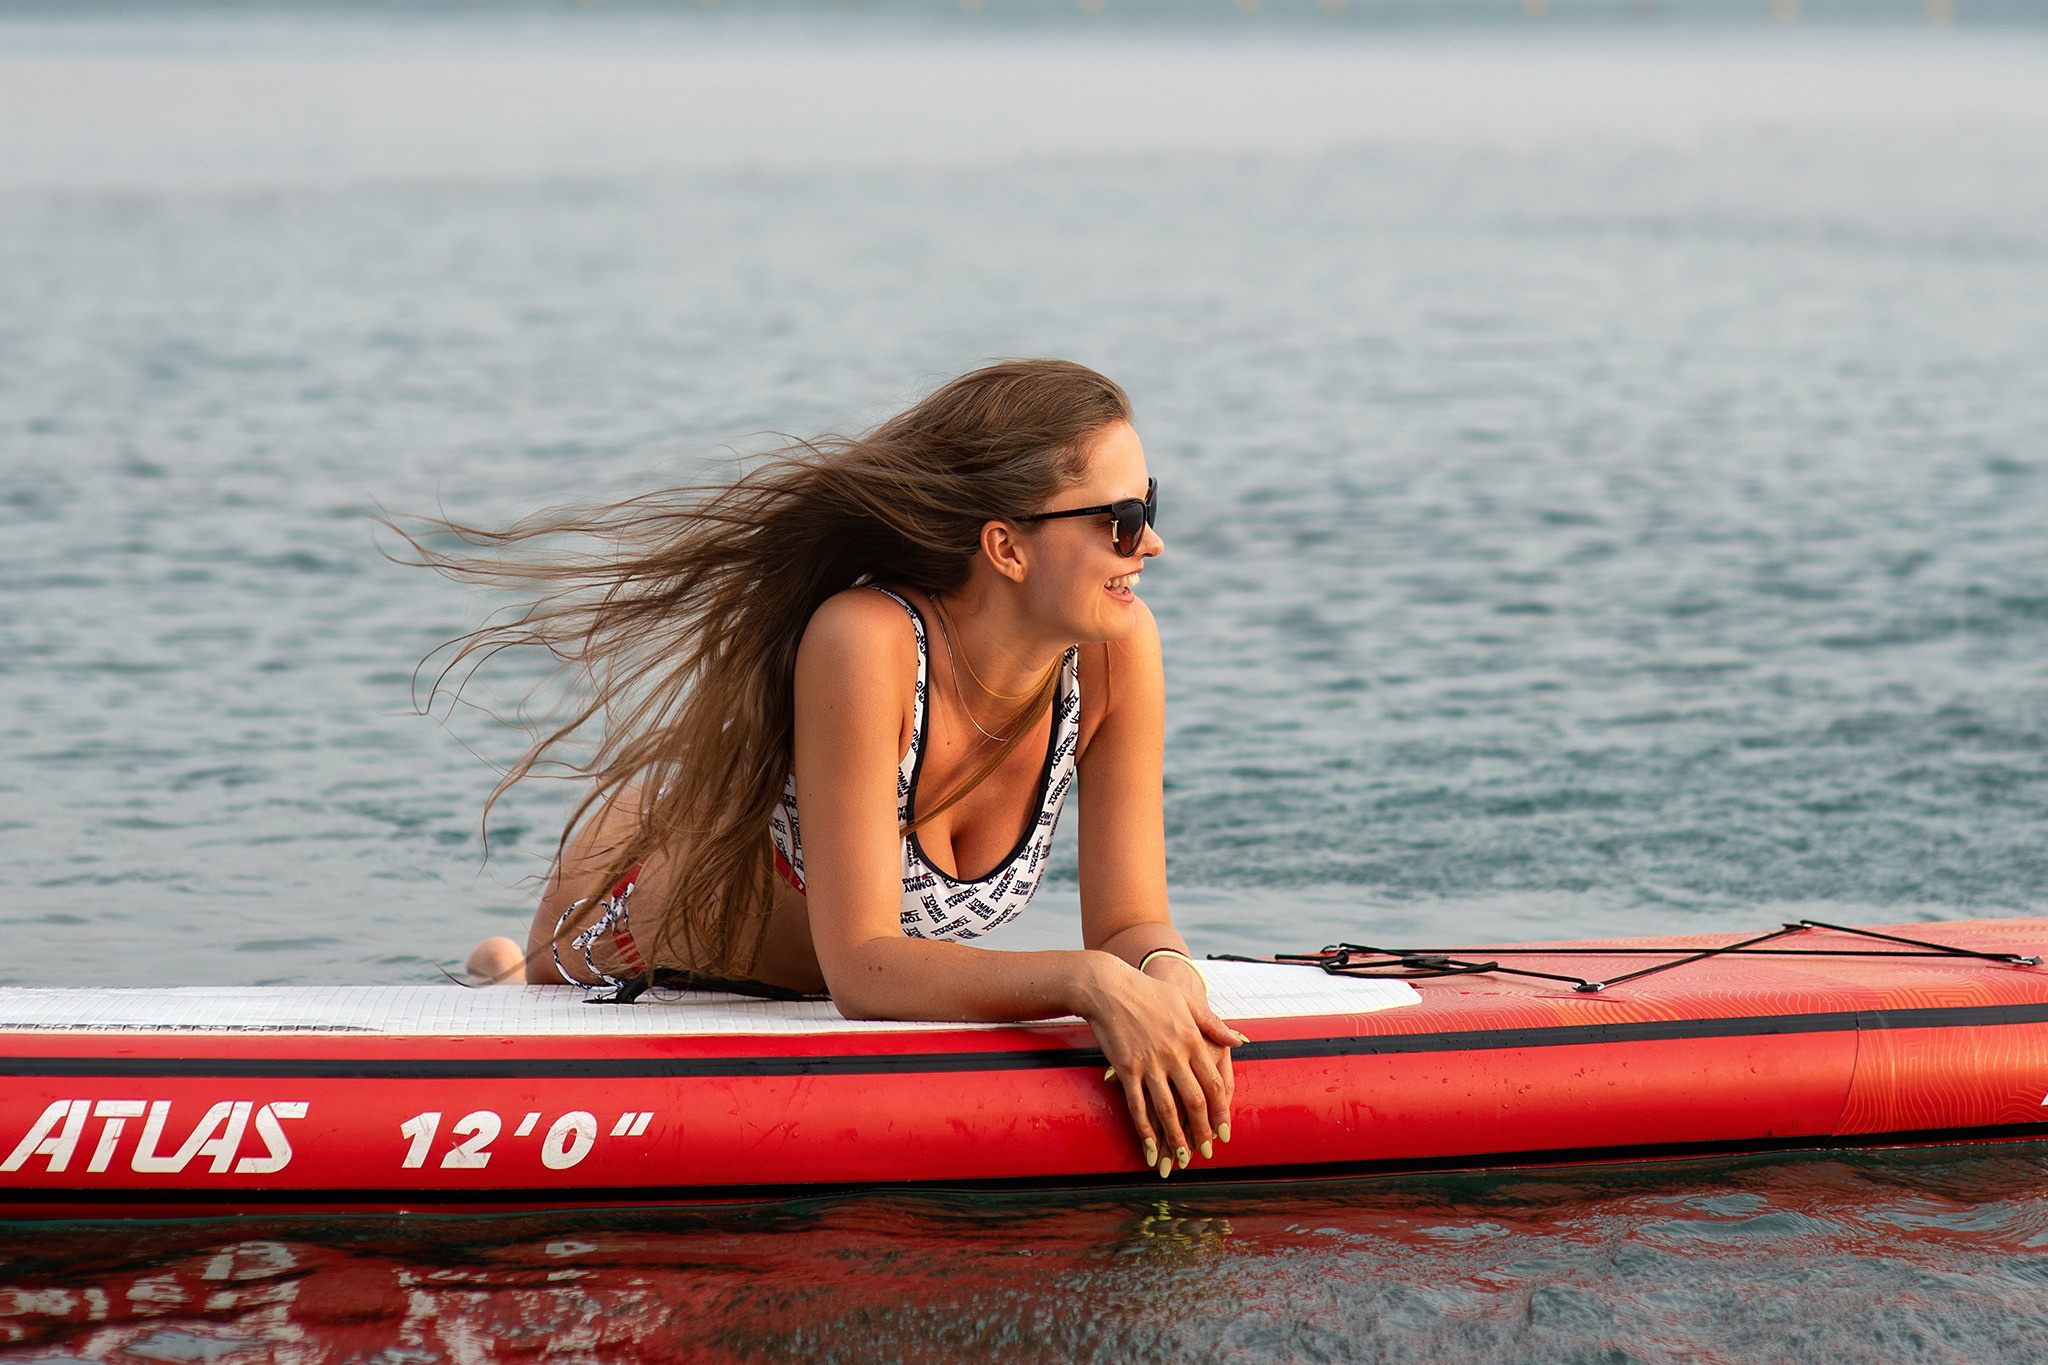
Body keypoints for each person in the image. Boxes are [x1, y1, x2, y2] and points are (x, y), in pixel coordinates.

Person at [434, 359, 1239, 1179]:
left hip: (780, 958)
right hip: (622, 916)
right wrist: (1089, 982)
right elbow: (861, 966)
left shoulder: (1116, 654)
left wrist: (1165, 975)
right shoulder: (866, 640)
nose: (1152, 543)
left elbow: (1130, 923)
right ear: (1006, 547)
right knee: (533, 976)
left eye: (1149, 506)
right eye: (1122, 520)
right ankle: (500, 969)